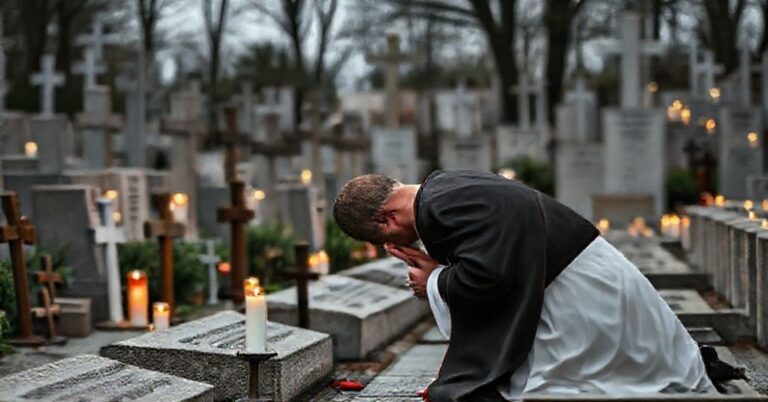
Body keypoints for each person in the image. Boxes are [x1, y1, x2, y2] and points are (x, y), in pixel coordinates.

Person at [332, 170, 716, 401]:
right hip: (588, 282)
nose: (405, 246)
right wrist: (439, 272)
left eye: (391, 241)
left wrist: (433, 280)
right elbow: (498, 262)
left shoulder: (439, 207)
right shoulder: (445, 187)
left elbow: (490, 277)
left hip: (585, 301)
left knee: (550, 388)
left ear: (385, 219)